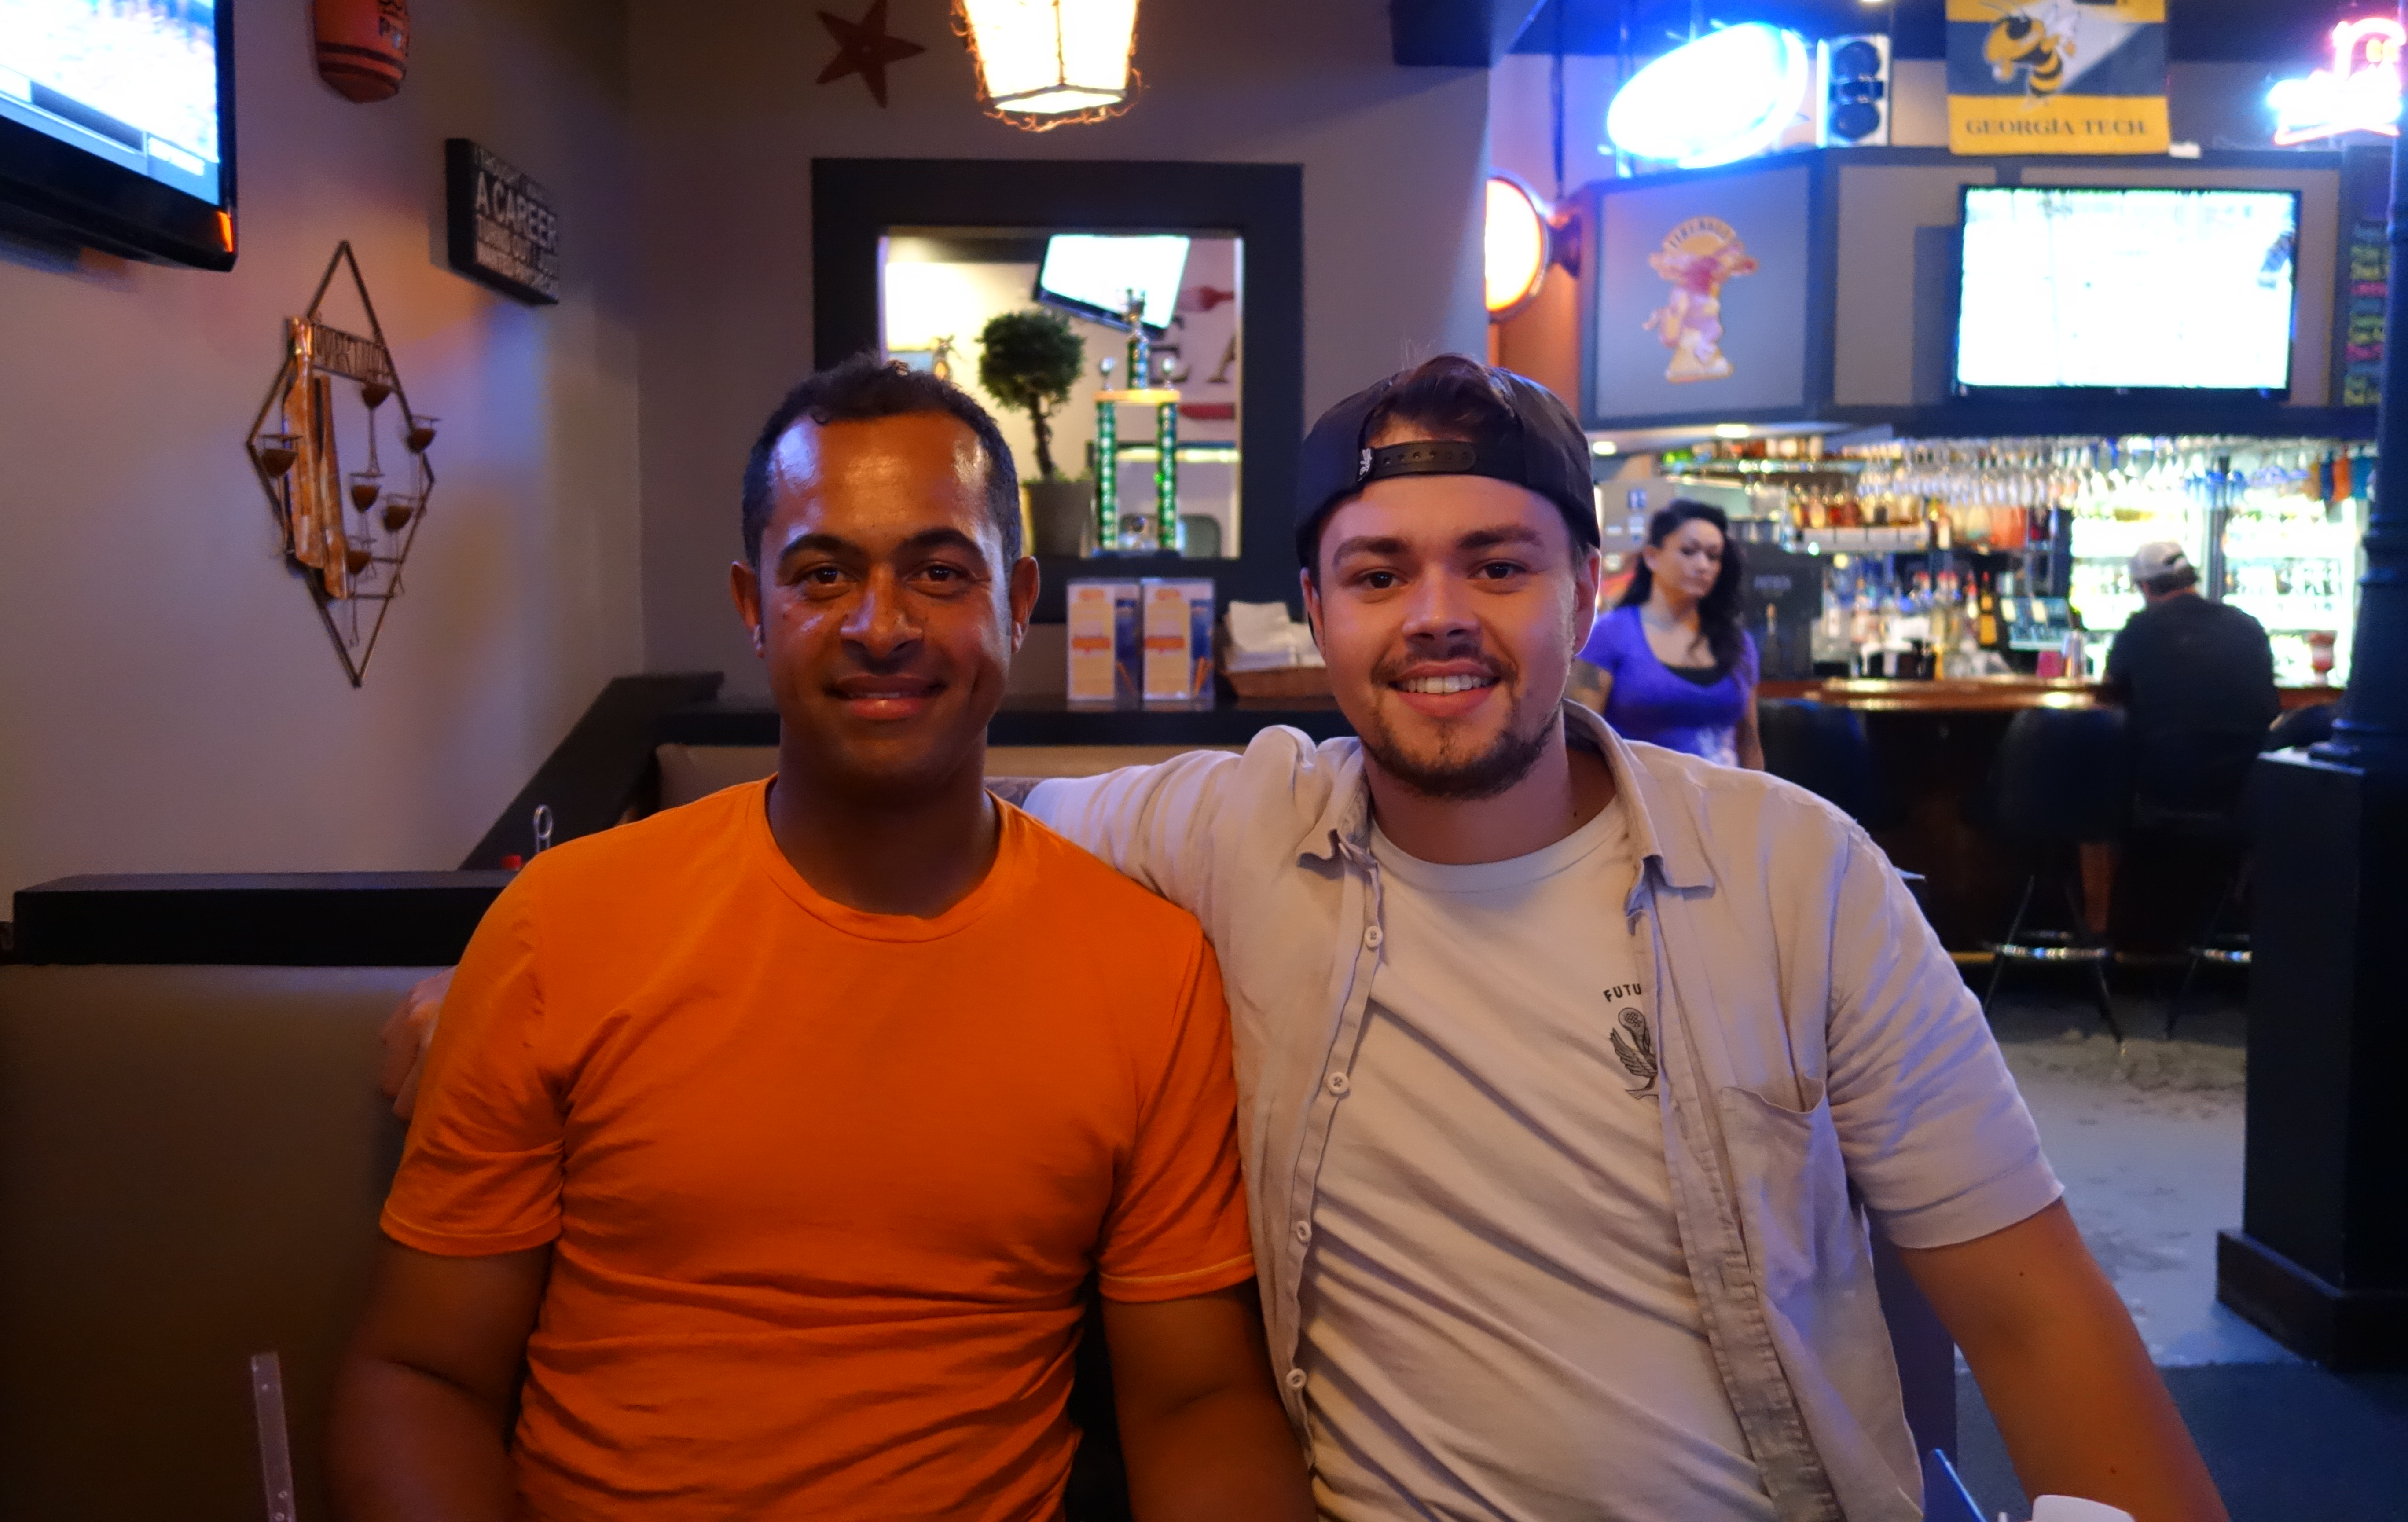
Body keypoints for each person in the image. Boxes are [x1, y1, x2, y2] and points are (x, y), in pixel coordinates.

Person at [388, 358, 2225, 1522]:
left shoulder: (1796, 875)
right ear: (1313, 615)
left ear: (1586, 587)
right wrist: (505, 966)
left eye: (1498, 562)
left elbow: (2035, 1312)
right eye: (1379, 571)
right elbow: (904, 828)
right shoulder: (1229, 830)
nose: (1440, 617)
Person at [332, 357, 1313, 1522]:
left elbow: (1196, 1402)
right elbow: (421, 1376)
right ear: (754, 607)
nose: (880, 625)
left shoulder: (1148, 969)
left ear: (1018, 600)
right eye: (823, 574)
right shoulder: (563, 923)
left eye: (939, 572)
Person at [1568, 497, 1764, 767]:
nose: (1703, 565)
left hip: (1725, 791)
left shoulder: (1737, 642)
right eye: (1689, 551)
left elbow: (1749, 743)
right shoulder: (1610, 635)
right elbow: (1578, 744)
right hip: (1637, 790)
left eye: (1713, 556)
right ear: (1652, 557)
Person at [2101, 540, 2280, 817]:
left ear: (2145, 588)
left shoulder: (2140, 630)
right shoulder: (2247, 625)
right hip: (2246, 789)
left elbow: (2108, 690)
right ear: (2191, 580)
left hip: (2167, 789)